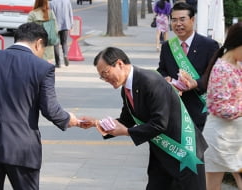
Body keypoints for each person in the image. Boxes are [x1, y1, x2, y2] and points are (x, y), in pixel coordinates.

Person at [0, 22, 81, 190]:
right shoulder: (43, 68)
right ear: (39, 43)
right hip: (22, 148)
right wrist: (69, 119)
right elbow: (49, 108)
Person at [80, 47, 208, 190]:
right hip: (161, 155)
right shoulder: (127, 88)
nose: (105, 79)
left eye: (105, 73)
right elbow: (126, 120)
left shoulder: (150, 81)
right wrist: (96, 123)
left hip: (184, 152)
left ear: (120, 64)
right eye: (102, 76)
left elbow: (160, 123)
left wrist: (127, 132)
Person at [156, 2, 219, 131]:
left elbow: (215, 75)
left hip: (201, 110)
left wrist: (195, 83)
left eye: (182, 19)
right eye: (174, 20)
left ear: (192, 20)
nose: (178, 24)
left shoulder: (209, 45)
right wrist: (165, 78)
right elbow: (161, 69)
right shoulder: (168, 46)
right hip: (175, 110)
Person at [200, 22, 242, 190]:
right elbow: (219, 108)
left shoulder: (236, 65)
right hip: (221, 137)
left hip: (233, 136)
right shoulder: (222, 69)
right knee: (212, 185)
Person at [50, 0, 73, 68]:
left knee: (56, 44)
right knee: (64, 42)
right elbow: (70, 13)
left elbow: (50, 16)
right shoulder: (67, 2)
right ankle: (65, 54)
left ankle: (58, 63)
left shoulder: (52, 3)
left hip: (55, 26)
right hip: (65, 25)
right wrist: (71, 24)